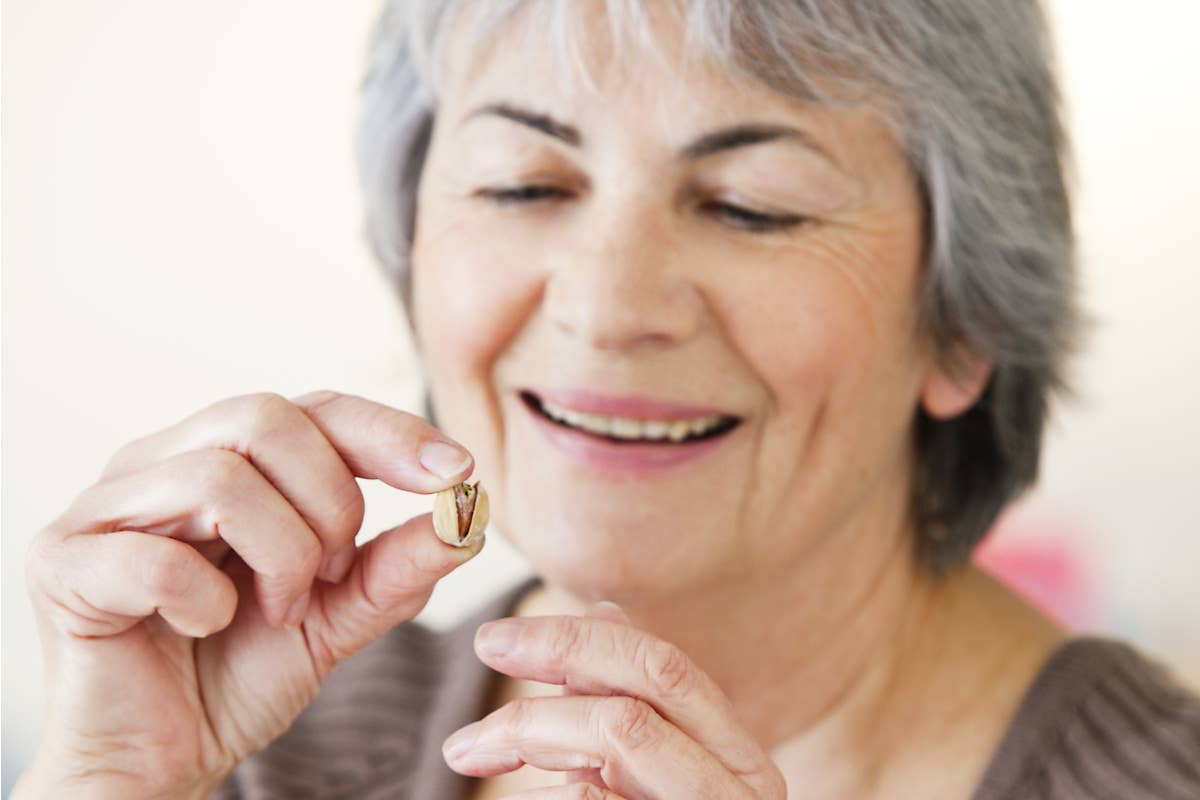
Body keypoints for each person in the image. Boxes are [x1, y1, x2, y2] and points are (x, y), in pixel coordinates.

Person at [15, 1, 1200, 798]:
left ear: (965, 320)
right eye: (524, 182)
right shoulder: (256, 754)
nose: (605, 304)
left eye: (752, 204)